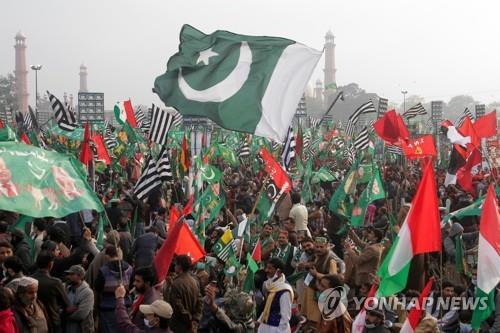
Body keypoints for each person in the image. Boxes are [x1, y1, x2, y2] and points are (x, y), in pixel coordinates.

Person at [94, 245, 133, 333]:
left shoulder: (103, 271)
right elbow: (132, 285)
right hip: (125, 307)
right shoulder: (130, 269)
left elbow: (97, 287)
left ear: (107, 256)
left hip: (108, 308)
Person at [302, 236, 338, 328]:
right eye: (317, 247)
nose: (318, 249)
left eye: (321, 247)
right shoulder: (316, 256)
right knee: (308, 318)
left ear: (326, 246)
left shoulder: (331, 259)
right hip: (311, 288)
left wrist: (317, 274)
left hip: (320, 294)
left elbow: (333, 278)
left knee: (316, 321)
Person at [31, 251, 70, 333]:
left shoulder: (30, 280)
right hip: (52, 323)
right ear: (50, 264)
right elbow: (67, 304)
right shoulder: (55, 283)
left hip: (35, 322)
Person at [166, 254, 202, 333]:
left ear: (180, 266)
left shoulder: (176, 283)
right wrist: (195, 320)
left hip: (179, 326)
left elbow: (178, 307)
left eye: (175, 264)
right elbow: (200, 302)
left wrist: (189, 320)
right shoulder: (194, 281)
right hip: (190, 325)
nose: (174, 266)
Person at [258, 258, 293, 332]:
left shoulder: (284, 290)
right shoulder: (271, 285)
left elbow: (285, 317)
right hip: (266, 326)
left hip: (277, 329)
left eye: (270, 268)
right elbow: (268, 307)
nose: (266, 270)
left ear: (278, 271)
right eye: (266, 267)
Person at [64, 265, 95, 333]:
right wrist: (66, 310)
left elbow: (81, 314)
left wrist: (64, 315)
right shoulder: (66, 289)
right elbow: (58, 307)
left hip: (82, 329)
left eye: (72, 274)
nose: (69, 277)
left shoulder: (87, 292)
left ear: (80, 276)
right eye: (68, 274)